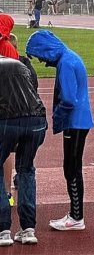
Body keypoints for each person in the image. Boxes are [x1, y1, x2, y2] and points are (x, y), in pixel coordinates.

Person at [26, 30, 94, 231]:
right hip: (80, 120)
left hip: (75, 122)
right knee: (73, 167)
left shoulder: (65, 63)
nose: (41, 61)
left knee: (71, 168)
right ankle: (75, 214)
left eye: (40, 56)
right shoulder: (70, 57)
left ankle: (76, 216)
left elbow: (68, 99)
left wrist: (57, 116)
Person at [0, 56, 47, 246]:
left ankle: (3, 230)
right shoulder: (19, 64)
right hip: (36, 120)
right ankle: (28, 229)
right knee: (26, 169)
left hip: (6, 122)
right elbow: (33, 87)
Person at [0, 15, 20, 209]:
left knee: (5, 151)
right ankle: (6, 193)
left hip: (5, 106)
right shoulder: (8, 48)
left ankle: (6, 193)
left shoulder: (7, 48)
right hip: (8, 105)